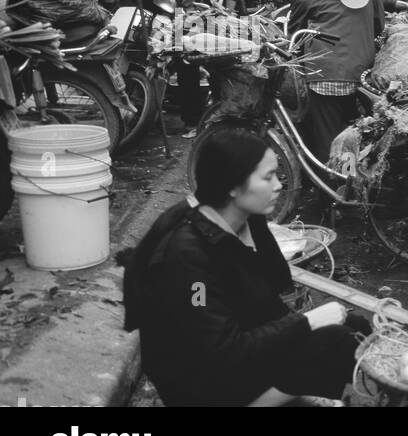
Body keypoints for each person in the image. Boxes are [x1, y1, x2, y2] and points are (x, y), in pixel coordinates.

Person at [122, 128, 371, 406]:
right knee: (334, 343)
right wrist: (308, 322)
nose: (278, 185)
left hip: (240, 349)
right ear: (232, 186)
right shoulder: (189, 265)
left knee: (355, 325)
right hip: (204, 383)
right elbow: (218, 349)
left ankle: (298, 393)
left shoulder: (246, 219)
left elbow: (276, 289)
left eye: (277, 174)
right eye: (267, 178)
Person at [288, 0, 395, 179]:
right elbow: (379, 26)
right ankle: (351, 177)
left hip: (324, 72)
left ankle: (334, 188)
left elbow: (294, 34)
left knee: (328, 136)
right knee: (353, 131)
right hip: (362, 73)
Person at [130, 0, 204, 135]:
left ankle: (145, 114)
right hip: (181, 4)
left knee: (151, 60)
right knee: (188, 63)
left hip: (148, 6)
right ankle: (192, 122)